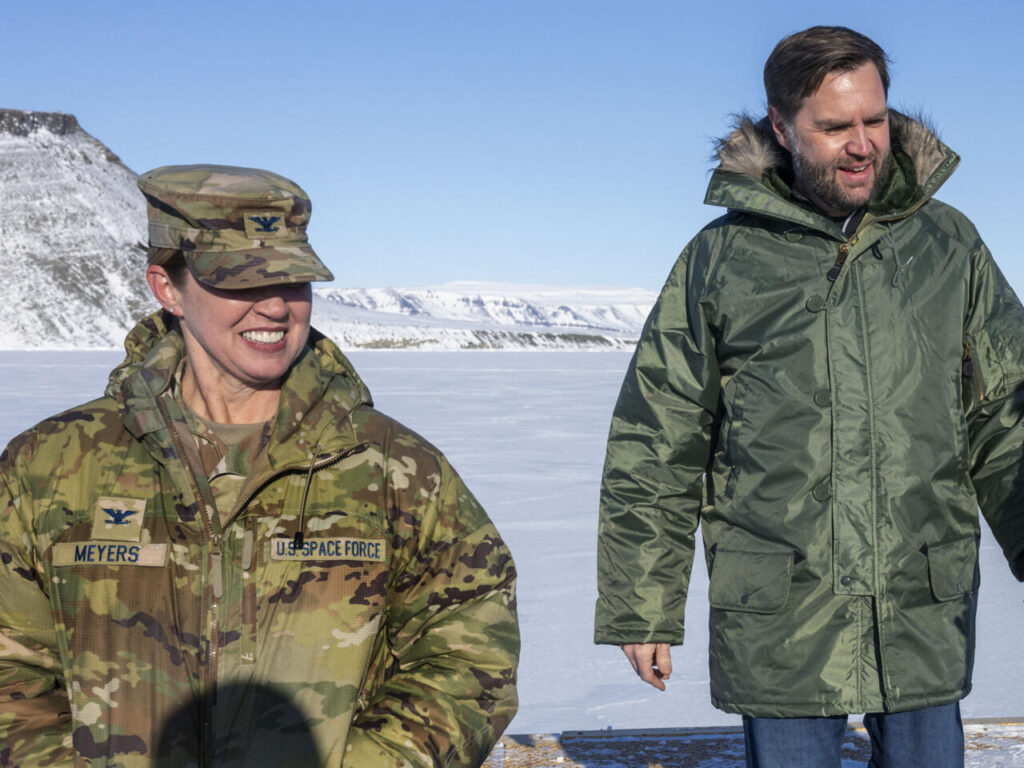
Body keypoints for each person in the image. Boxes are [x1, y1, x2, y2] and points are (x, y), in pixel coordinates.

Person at [594, 25, 1024, 768]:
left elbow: (1005, 415)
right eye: (834, 127)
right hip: (782, 607)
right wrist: (644, 603)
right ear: (781, 127)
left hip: (922, 595)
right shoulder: (721, 259)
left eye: (875, 120)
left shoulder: (948, 246)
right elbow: (658, 438)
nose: (863, 144)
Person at [0, 165, 519, 767]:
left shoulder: (394, 470)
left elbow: (469, 654)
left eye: (294, 281)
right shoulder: (52, 465)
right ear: (166, 288)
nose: (274, 306)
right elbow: (11, 669)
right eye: (240, 283)